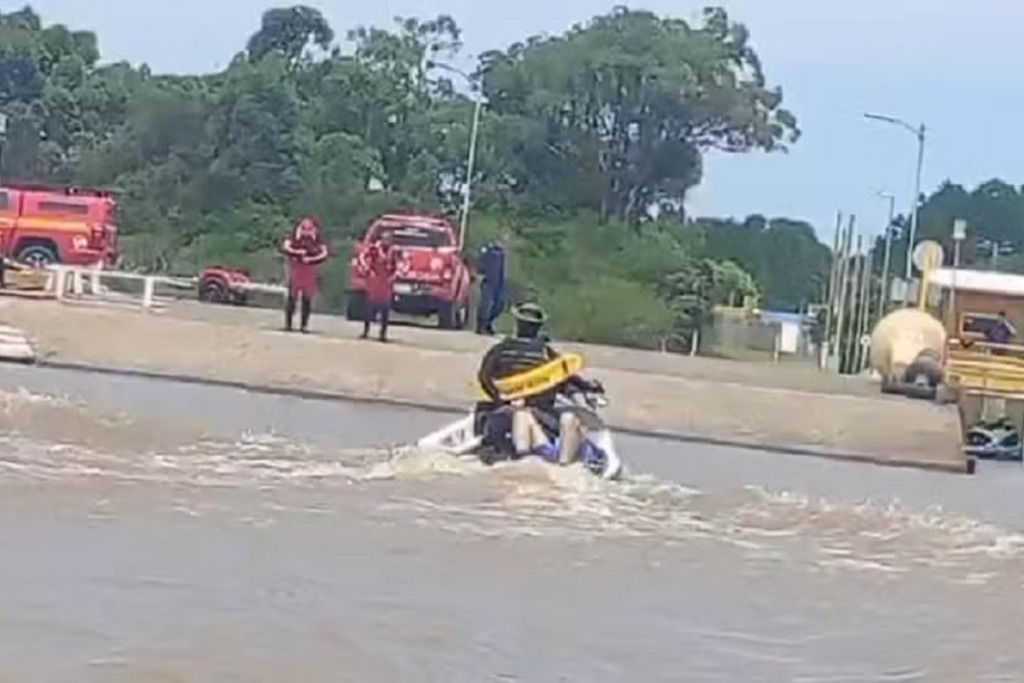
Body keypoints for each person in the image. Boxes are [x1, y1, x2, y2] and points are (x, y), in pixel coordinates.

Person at [474, 302, 598, 465]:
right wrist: (588, 386)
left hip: (504, 409)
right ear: (538, 327)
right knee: (570, 422)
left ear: (517, 324)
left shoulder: (500, 350)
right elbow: (565, 377)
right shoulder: (546, 354)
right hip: (541, 413)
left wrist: (500, 399)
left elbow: (484, 378)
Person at [280, 217, 329, 333]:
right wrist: (297, 252)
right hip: (295, 268)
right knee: (292, 297)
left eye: (309, 228)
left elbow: (324, 253)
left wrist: (312, 259)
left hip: (310, 270)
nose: (306, 231)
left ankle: (304, 325)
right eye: (304, 228)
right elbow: (286, 247)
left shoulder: (317, 238)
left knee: (307, 298)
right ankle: (288, 324)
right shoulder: (293, 236)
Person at [357, 235, 399, 342]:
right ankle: (366, 331)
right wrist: (367, 269)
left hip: (386, 282)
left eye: (388, 240)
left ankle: (382, 334)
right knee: (369, 308)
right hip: (375, 281)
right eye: (385, 240)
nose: (386, 242)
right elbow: (362, 257)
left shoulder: (393, 252)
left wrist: (394, 276)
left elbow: (398, 266)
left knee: (385, 309)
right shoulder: (374, 249)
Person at [475, 237, 506, 335]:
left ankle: (488, 323)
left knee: (499, 304)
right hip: (487, 281)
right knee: (486, 304)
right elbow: (480, 264)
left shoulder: (501, 254)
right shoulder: (487, 251)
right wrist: (480, 274)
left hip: (498, 282)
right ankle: (481, 326)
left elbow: (502, 270)